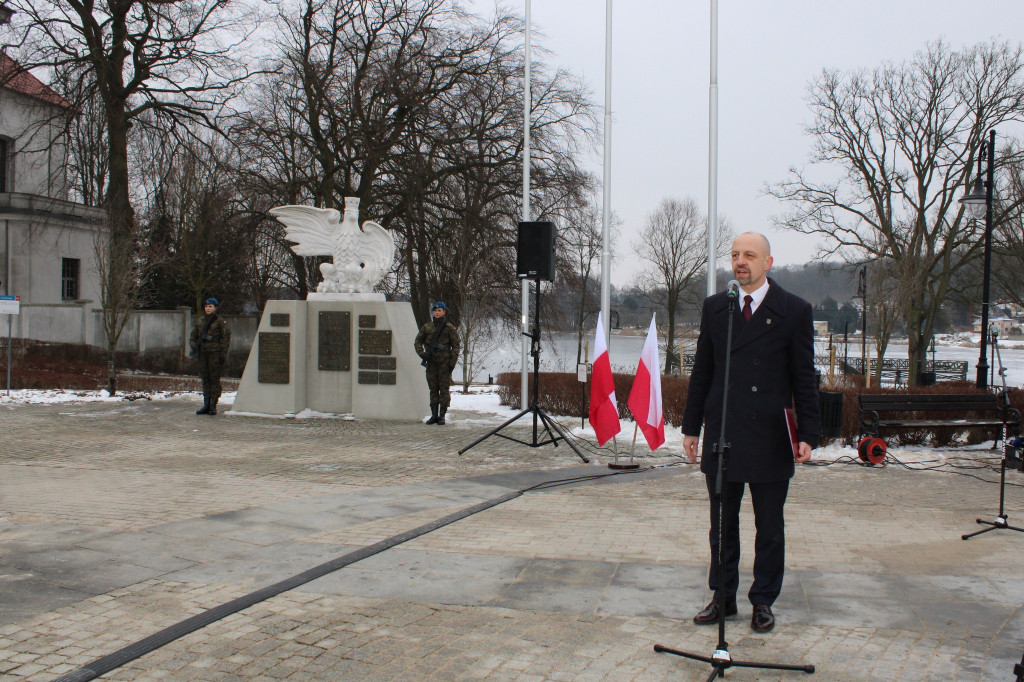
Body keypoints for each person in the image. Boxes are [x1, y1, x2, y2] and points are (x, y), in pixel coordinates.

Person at [682, 232, 820, 633]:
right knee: (721, 526)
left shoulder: (794, 310)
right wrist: (692, 427)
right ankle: (722, 598)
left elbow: (804, 378)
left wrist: (807, 432)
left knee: (769, 527)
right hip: (724, 431)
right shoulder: (716, 308)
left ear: (768, 263)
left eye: (749, 255)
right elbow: (702, 372)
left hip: (771, 437)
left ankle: (763, 601)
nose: (740, 261)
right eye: (735, 255)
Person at [414, 301, 461, 425]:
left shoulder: (449, 328)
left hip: (444, 363)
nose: (437, 312)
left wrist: (452, 362)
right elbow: (418, 341)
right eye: (435, 310)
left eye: (440, 310)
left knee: (444, 389)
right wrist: (422, 353)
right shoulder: (427, 327)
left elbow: (456, 346)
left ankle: (442, 416)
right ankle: (434, 415)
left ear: (444, 312)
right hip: (431, 363)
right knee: (433, 389)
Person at [190, 298, 231, 416]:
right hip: (203, 353)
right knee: (205, 378)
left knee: (214, 378)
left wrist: (222, 355)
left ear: (215, 308)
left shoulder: (220, 322)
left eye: (210, 306)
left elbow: (226, 340)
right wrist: (194, 346)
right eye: (206, 306)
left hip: (215, 354)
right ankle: (206, 404)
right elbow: (193, 337)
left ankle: (213, 404)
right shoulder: (200, 321)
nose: (208, 308)